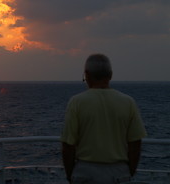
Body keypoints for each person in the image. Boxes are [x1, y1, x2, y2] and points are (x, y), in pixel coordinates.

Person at [61, 54, 147, 184]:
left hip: (85, 172)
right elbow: (135, 143)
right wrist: (129, 171)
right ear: (110, 75)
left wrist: (70, 175)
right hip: (119, 172)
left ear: (87, 75)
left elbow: (68, 145)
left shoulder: (76, 102)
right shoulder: (128, 102)